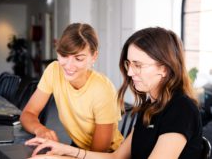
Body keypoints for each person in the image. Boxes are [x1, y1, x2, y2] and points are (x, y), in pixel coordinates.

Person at [25, 27, 203, 159]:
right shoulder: (150, 107)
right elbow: (116, 157)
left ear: (164, 68)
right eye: (129, 64)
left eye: (138, 65)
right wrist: (64, 151)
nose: (130, 72)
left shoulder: (181, 109)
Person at [20, 23, 123, 152]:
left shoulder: (103, 90)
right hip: (78, 148)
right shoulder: (54, 70)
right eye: (64, 55)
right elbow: (28, 113)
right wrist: (40, 129)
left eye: (78, 59)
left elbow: (98, 154)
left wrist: (64, 152)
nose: (69, 66)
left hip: (107, 154)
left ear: (94, 57)